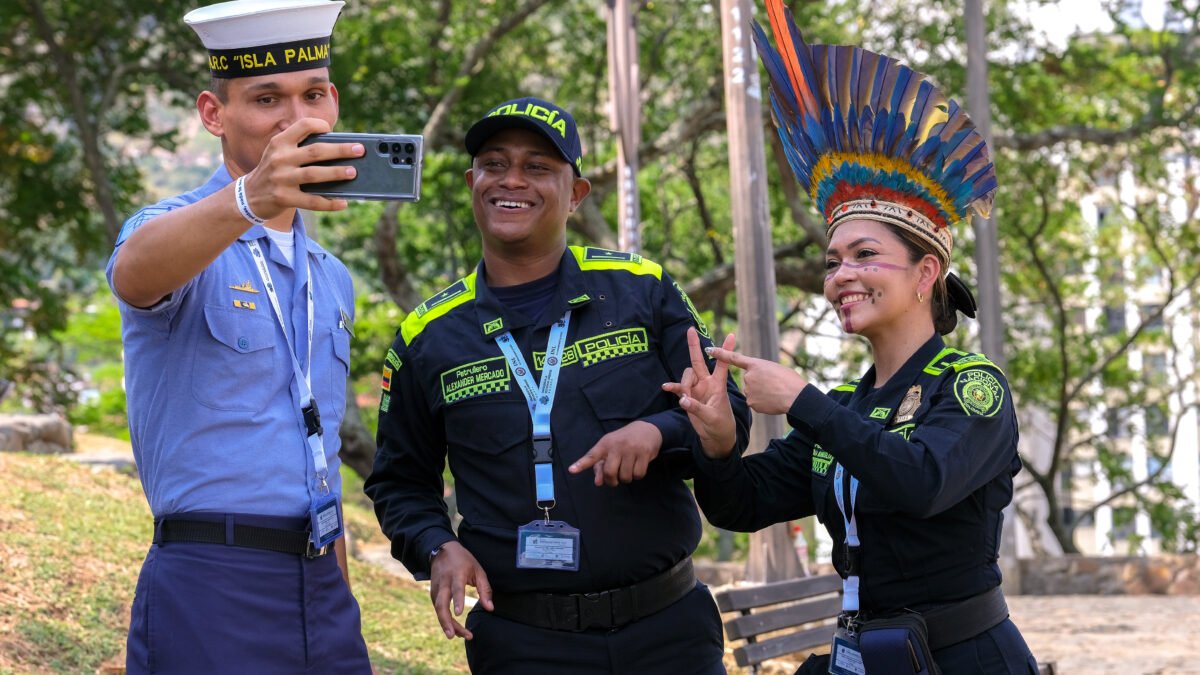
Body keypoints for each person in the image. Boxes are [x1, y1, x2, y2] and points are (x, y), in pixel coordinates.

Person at [663, 4, 1038, 673]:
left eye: (865, 254)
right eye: (833, 261)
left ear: (927, 273)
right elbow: (738, 504)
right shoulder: (846, 408)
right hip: (865, 657)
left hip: (966, 658)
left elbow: (922, 480)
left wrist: (803, 400)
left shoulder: (973, 388)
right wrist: (717, 437)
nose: (842, 276)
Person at [365, 96, 751, 674]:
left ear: (575, 194)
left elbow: (727, 418)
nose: (511, 180)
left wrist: (658, 430)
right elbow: (399, 482)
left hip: (668, 631)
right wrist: (436, 545)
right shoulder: (426, 336)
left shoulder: (642, 290)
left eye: (538, 166)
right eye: (494, 164)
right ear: (473, 182)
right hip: (523, 644)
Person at [106, 0, 372, 671]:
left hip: (322, 583)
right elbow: (134, 274)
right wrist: (248, 198)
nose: (294, 118)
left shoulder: (330, 277)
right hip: (211, 578)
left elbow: (318, 437)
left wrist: (338, 583)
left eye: (312, 94)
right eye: (265, 98)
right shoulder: (174, 228)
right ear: (213, 114)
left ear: (333, 102)